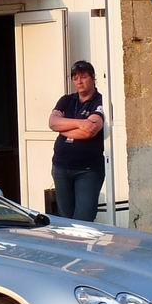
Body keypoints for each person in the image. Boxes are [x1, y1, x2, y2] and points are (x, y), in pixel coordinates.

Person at [47, 60, 106, 221]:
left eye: (83, 77)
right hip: (61, 167)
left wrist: (63, 127)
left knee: (83, 221)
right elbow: (52, 122)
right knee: (65, 221)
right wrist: (80, 123)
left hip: (87, 170)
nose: (79, 81)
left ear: (93, 78)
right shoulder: (66, 100)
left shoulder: (100, 101)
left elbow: (90, 130)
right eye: (75, 78)